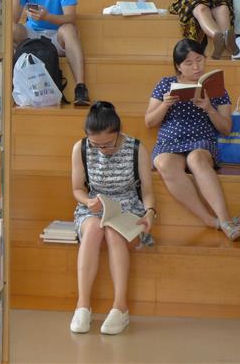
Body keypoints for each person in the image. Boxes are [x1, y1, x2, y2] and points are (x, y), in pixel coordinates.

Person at [145, 38, 240, 241]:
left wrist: (208, 108)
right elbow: (149, 121)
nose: (196, 67)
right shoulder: (165, 84)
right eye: (188, 63)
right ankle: (209, 220)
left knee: (196, 159)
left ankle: (225, 219)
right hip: (169, 141)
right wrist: (165, 105)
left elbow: (226, 128)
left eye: (199, 60)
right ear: (178, 66)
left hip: (201, 140)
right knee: (164, 163)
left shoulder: (215, 87)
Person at [69, 101, 156, 335]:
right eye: (96, 145)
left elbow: (147, 191)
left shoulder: (137, 148)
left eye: (108, 144)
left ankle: (120, 307)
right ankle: (83, 306)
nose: (102, 150)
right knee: (94, 229)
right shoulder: (81, 148)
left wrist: (150, 213)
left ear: (118, 133)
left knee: (113, 230)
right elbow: (77, 188)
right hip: (94, 206)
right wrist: (88, 202)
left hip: (127, 207)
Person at [13, 0, 91, 105]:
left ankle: (80, 87)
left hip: (57, 35)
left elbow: (71, 17)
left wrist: (47, 17)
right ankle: (10, 84)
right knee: (10, 29)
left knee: (69, 29)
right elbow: (13, 20)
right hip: (32, 35)